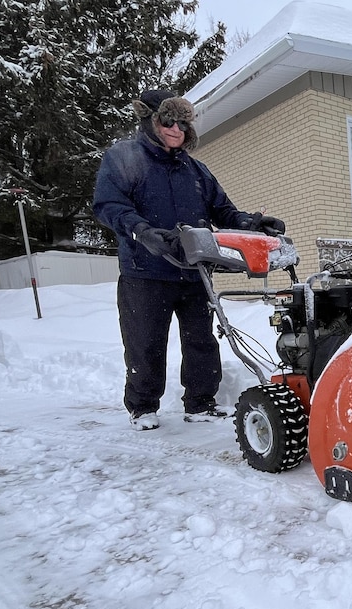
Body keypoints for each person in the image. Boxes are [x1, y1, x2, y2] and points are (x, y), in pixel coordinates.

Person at [93, 89, 283, 431]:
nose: (176, 129)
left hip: (195, 269)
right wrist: (143, 232)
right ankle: (143, 407)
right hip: (145, 270)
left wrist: (252, 224)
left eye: (183, 123)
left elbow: (223, 211)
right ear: (148, 120)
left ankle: (200, 403)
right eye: (169, 121)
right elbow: (109, 205)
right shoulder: (124, 158)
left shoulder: (195, 169)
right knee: (145, 342)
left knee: (201, 340)